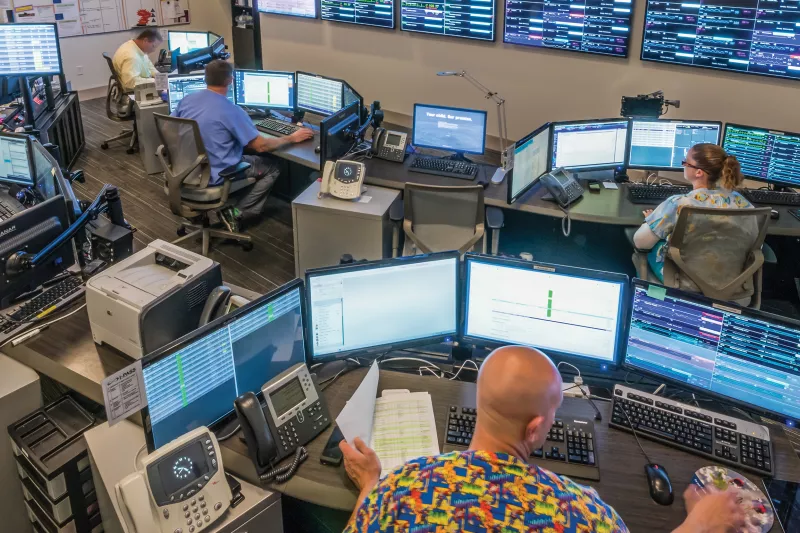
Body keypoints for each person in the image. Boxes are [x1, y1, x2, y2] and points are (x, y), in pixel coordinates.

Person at [340, 346, 747, 532]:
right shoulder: (584, 513)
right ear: (535, 428)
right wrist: (701, 522)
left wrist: (370, 485)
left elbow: (364, 522)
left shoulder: (397, 488)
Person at [172, 60, 313, 230]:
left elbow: (172, 127)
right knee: (273, 166)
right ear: (230, 81)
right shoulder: (231, 110)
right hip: (215, 174)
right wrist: (292, 138)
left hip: (185, 169)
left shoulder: (187, 100)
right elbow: (261, 146)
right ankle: (238, 213)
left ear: (205, 79)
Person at [633, 143, 753, 282]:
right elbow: (755, 243)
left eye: (686, 162)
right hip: (731, 281)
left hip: (685, 281)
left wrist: (655, 221)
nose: (684, 165)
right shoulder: (742, 204)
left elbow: (640, 242)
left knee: (649, 247)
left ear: (698, 172)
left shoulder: (680, 204)